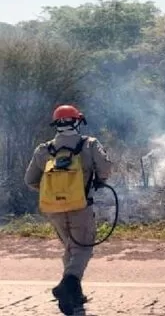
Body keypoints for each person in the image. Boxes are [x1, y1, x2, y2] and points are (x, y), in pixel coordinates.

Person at [24, 104, 112, 316]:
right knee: (83, 248)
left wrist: (52, 191)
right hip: (80, 207)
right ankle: (68, 286)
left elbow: (30, 180)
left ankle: (75, 297)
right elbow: (106, 169)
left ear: (57, 124)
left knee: (71, 248)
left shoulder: (43, 149)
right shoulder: (89, 144)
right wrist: (98, 181)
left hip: (53, 210)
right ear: (77, 121)